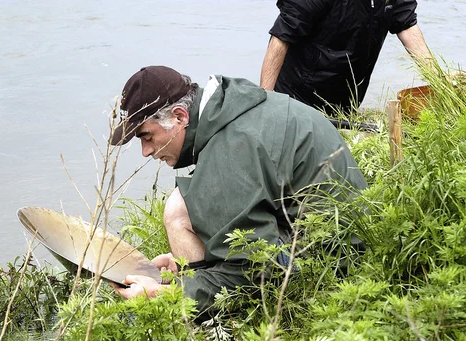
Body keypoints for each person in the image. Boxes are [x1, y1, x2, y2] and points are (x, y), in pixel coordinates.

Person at [110, 65, 367, 319]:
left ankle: (209, 324)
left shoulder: (231, 148)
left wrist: (166, 296)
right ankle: (198, 288)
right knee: (185, 203)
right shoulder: (233, 107)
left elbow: (252, 271)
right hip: (348, 235)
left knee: (178, 212)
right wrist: (189, 261)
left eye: (147, 137)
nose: (146, 151)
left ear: (180, 116)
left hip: (331, 263)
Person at [260, 0, 434, 113]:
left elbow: (408, 26)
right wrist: (265, 103)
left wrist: (438, 81)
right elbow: (281, 37)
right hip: (297, 99)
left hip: (346, 103)